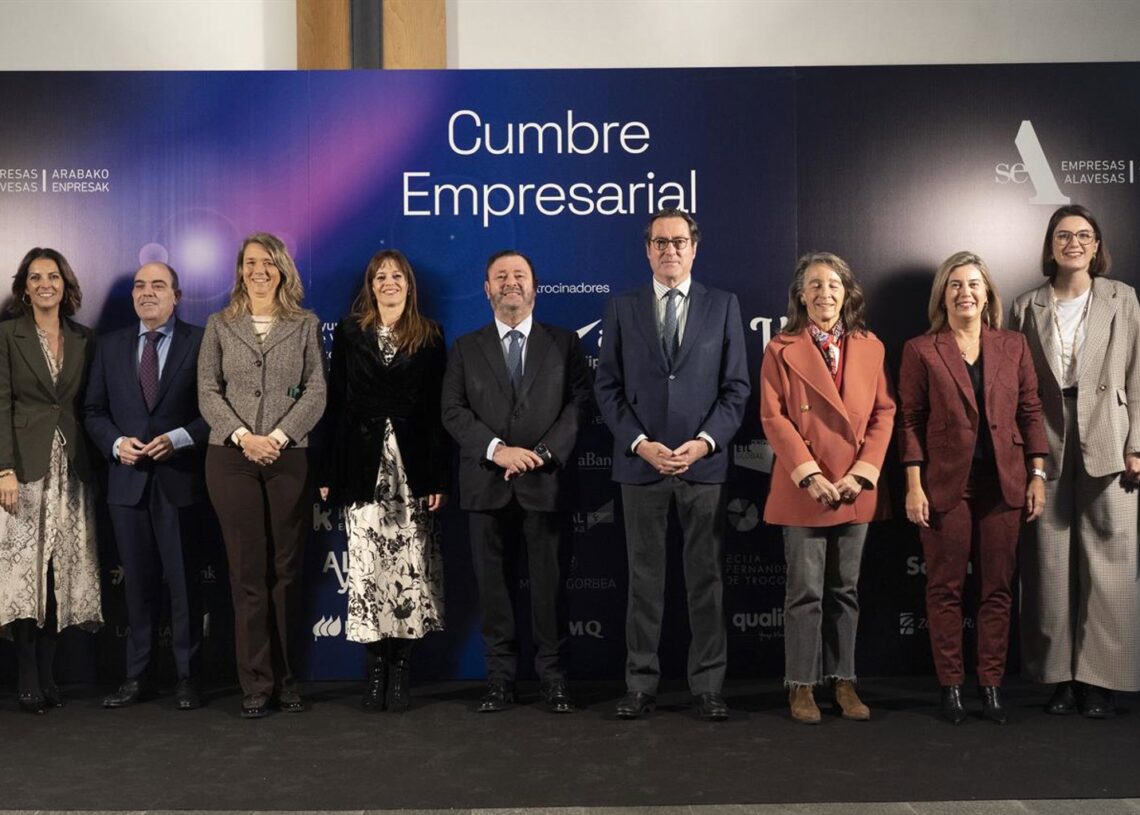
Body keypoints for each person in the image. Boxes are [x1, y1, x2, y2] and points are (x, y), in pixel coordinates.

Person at [594, 208, 750, 721]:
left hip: (702, 467)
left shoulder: (723, 306)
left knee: (705, 581)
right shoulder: (622, 307)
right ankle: (641, 684)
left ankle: (707, 686)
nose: (670, 251)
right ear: (647, 250)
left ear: (694, 248)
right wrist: (641, 443)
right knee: (643, 581)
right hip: (641, 467)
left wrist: (703, 444)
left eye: (679, 242)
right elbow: (608, 388)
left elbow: (736, 390)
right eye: (660, 243)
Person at [899, 251, 1047, 725]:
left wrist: (1038, 473)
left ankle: (991, 685)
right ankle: (952, 688)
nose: (965, 292)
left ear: (988, 294)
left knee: (997, 588)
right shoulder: (921, 349)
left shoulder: (1014, 345)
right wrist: (913, 485)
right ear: (943, 295)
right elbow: (910, 421)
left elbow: (1030, 410)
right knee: (944, 588)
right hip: (945, 484)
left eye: (974, 284)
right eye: (956, 285)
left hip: (1004, 482)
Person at [441, 250, 591, 714]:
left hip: (545, 484)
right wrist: (497, 450)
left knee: (549, 588)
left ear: (534, 286)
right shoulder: (466, 347)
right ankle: (500, 681)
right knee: (493, 590)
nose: (511, 282)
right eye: (500, 276)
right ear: (486, 289)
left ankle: (553, 679)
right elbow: (453, 411)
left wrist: (541, 455)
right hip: (486, 484)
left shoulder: (564, 344)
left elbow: (579, 405)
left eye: (519, 275)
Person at [1011, 204, 1140, 718]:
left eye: (1084, 235)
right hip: (1046, 437)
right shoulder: (1026, 305)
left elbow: (1138, 373)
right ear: (1049, 246)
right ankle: (1059, 678)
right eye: (1063, 235)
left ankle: (1100, 681)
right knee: (1048, 564)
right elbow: (1015, 389)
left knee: (1110, 565)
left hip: (1110, 435)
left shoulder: (1122, 297)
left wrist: (1137, 445)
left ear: (1097, 245)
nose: (1074, 243)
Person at [759, 252, 895, 724]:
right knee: (804, 594)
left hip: (854, 487)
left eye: (833, 285)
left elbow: (884, 413)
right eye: (815, 285)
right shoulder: (780, 348)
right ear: (801, 295)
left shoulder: (871, 346)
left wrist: (861, 472)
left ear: (847, 292)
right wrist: (809, 473)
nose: (825, 294)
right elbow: (773, 417)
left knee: (845, 591)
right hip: (804, 489)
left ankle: (844, 681)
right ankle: (800, 685)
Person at [198, 232, 326, 719]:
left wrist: (277, 436)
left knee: (286, 572)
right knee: (247, 572)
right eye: (251, 262)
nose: (259, 270)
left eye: (268, 262)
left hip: (287, 457)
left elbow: (316, 392)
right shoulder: (219, 324)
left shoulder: (305, 324)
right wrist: (241, 436)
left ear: (282, 269)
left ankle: (288, 680)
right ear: (240, 270)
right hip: (229, 457)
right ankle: (256, 683)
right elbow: (208, 391)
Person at [319, 249, 448, 713]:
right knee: (368, 571)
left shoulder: (430, 334)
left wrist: (437, 475)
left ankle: (402, 670)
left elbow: (437, 412)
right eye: (381, 277)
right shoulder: (351, 332)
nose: (389, 282)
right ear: (370, 285)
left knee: (410, 570)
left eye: (397, 276)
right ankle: (374, 669)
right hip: (362, 466)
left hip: (413, 471)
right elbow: (336, 404)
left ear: (409, 285)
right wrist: (328, 470)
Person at [84, 262, 209, 710]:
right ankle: (137, 678)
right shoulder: (110, 345)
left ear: (176, 295)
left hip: (180, 482)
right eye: (140, 286)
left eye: (158, 285)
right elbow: (93, 411)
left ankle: (188, 678)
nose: (147, 293)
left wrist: (178, 439)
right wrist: (116, 443)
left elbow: (214, 411)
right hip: (126, 483)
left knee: (182, 585)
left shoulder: (201, 341)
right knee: (136, 587)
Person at [0, 247, 101, 714]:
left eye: (54, 276)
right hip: (23, 470)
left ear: (65, 285)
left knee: (63, 568)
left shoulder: (83, 338)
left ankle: (49, 673)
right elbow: (1, 406)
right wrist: (4, 470)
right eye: (36, 277)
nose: (46, 284)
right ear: (25, 287)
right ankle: (25, 675)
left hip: (72, 469)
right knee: (25, 575)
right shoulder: (7, 336)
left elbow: (84, 406)